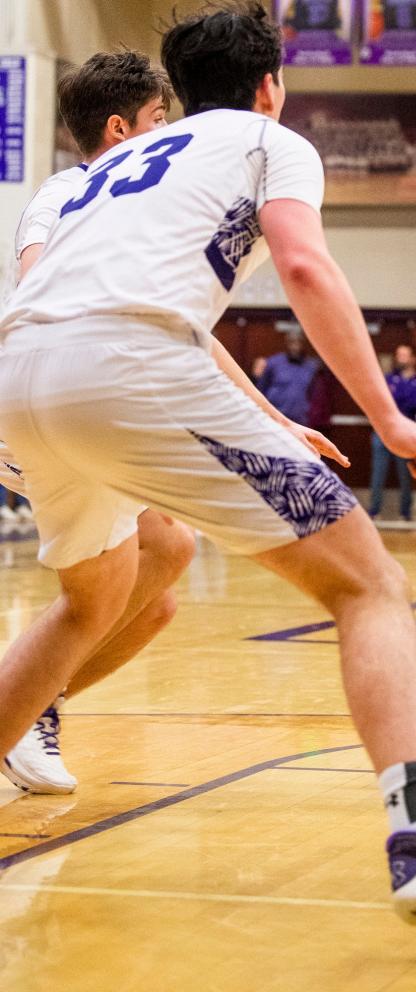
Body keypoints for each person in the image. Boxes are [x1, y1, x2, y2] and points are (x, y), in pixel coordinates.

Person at [0, 3, 416, 924]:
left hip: (21, 375)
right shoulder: (272, 141)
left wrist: (261, 411)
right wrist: (388, 417)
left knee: (90, 600)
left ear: (180, 94)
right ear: (271, 85)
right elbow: (305, 269)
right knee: (369, 585)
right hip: (128, 367)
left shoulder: (102, 169)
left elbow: (101, 300)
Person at [1, 51, 197, 795]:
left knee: (156, 598)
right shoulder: (68, 189)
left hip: (87, 398)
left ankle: (33, 707)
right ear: (120, 128)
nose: (166, 136)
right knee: (124, 578)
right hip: (44, 398)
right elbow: (36, 270)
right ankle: (26, 714)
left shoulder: (133, 200)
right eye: (157, 121)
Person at [368, 343, 416, 521]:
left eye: (405, 355)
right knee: (378, 472)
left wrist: (398, 402)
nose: (400, 358)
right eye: (398, 355)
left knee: (405, 474)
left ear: (413, 359)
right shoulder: (388, 379)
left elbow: (414, 404)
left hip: (407, 433)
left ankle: (405, 513)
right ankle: (374, 510)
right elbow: (382, 403)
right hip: (383, 431)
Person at [256, 332, 320, 425]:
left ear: (304, 344)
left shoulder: (311, 367)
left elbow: (314, 393)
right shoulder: (273, 363)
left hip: (300, 420)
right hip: (275, 419)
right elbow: (261, 389)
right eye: (291, 342)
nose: (295, 347)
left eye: (299, 342)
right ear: (286, 343)